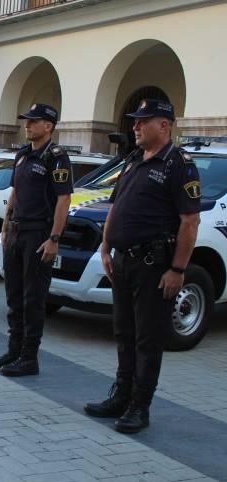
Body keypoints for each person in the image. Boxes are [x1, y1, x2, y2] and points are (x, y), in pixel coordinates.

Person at [84, 100, 200, 433]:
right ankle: (120, 396)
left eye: (142, 121)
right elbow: (116, 205)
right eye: (135, 121)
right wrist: (106, 246)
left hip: (154, 264)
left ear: (164, 126)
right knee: (124, 332)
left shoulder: (179, 165)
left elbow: (189, 221)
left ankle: (139, 407)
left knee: (147, 339)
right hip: (122, 260)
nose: (135, 126)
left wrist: (177, 270)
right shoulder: (134, 160)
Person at [0, 103, 73, 377]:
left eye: (33, 121)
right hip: (16, 231)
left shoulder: (56, 157)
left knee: (33, 298)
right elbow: (15, 191)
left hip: (38, 233)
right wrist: (5, 222)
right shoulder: (23, 155)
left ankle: (29, 357)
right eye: (26, 120)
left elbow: (63, 200)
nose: (27, 125)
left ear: (48, 126)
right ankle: (14, 349)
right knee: (13, 295)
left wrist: (54, 238)